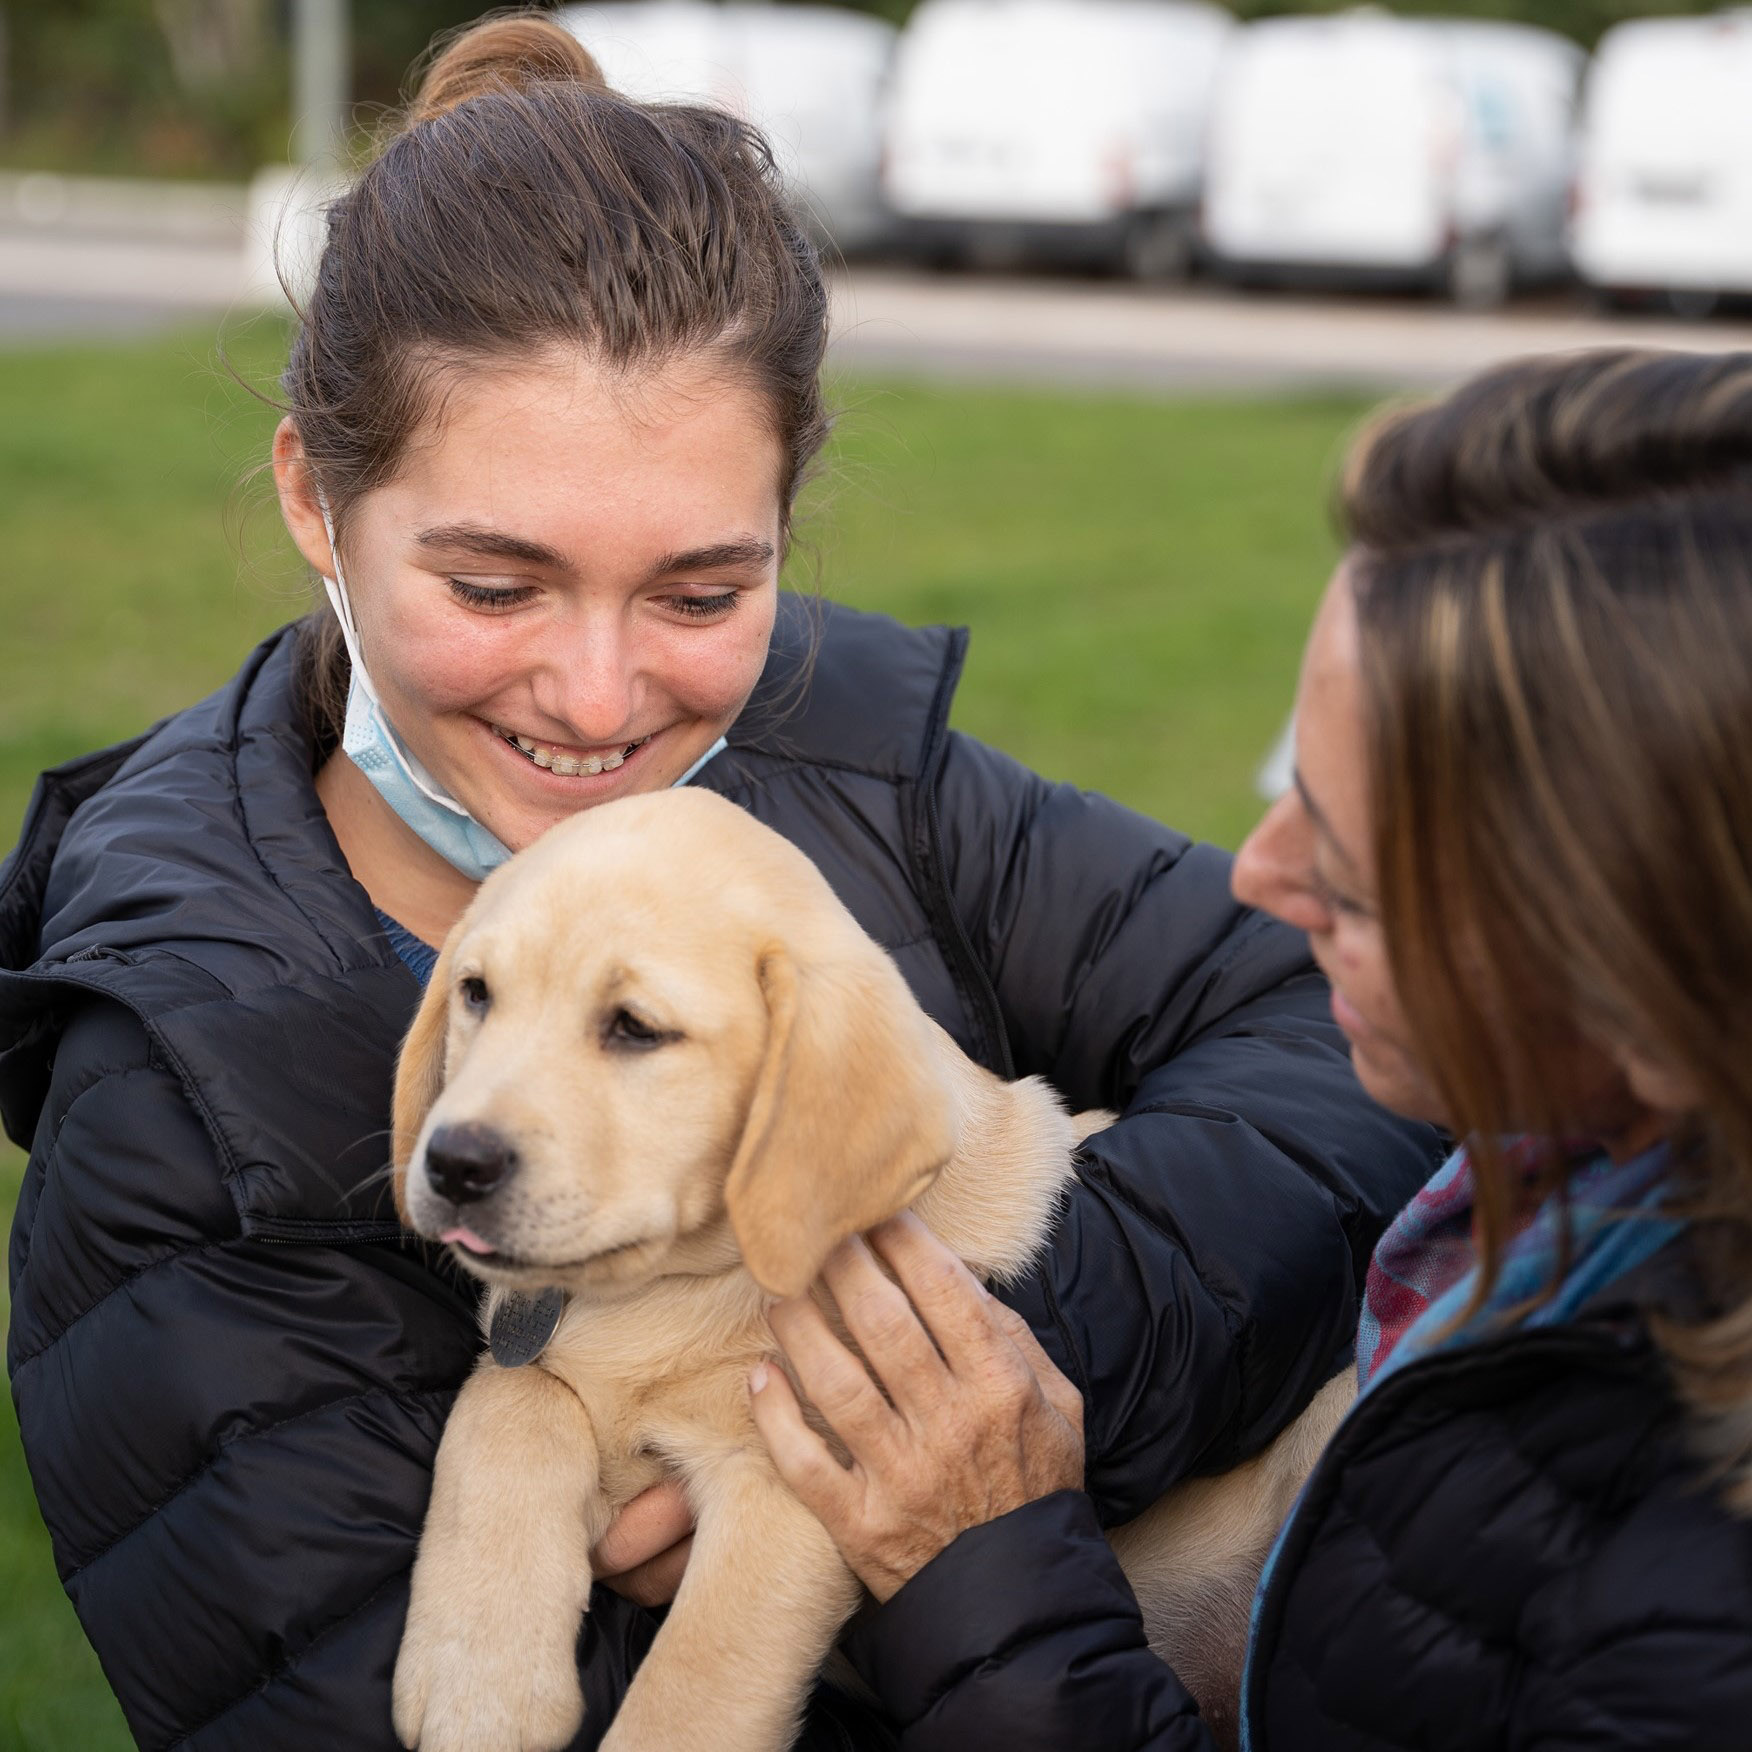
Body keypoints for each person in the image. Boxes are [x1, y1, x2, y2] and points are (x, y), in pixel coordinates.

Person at [0, 14, 1436, 1752]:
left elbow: (1336, 1016)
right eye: (496, 581)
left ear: (783, 530)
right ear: (319, 497)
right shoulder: (178, 1093)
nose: (602, 705)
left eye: (698, 593)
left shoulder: (837, 750)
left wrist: (996, 1361)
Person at [753, 346, 1752, 1750]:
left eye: (1348, 875)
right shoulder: (1571, 1186)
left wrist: (990, 1582)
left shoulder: (1697, 1620)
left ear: (1643, 971)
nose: (1257, 880)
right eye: (1291, 794)